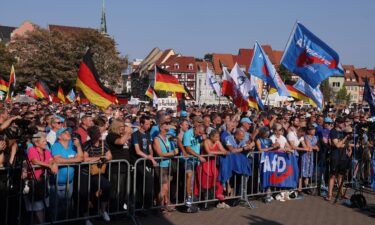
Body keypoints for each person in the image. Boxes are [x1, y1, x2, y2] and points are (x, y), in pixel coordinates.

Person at [24, 133, 58, 224]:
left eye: (45, 140)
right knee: (37, 208)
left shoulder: (46, 151)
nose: (46, 142)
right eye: (43, 141)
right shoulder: (31, 149)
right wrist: (49, 166)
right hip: (33, 182)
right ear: (36, 143)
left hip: (43, 182)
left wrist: (54, 164)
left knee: (42, 207)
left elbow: (51, 160)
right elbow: (35, 161)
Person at [81, 126, 112, 223]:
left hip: (97, 172)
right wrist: (99, 158)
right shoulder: (86, 144)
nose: (97, 136)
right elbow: (84, 159)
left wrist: (105, 158)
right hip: (86, 173)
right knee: (85, 194)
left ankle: (103, 210)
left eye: (98, 134)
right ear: (91, 135)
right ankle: (86, 217)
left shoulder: (103, 143)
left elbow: (110, 156)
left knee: (106, 186)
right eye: (95, 135)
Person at [51, 127, 83, 219]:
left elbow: (81, 158)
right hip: (57, 182)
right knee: (56, 206)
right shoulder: (56, 146)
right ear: (59, 136)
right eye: (65, 133)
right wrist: (74, 160)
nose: (68, 133)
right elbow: (57, 159)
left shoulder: (72, 145)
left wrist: (78, 146)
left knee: (67, 205)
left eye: (68, 132)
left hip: (69, 182)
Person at [195, 130, 229, 209]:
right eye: (216, 137)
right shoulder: (206, 141)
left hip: (213, 164)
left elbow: (224, 150)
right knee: (204, 183)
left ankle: (214, 200)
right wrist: (220, 153)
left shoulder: (217, 142)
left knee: (216, 181)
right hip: (205, 164)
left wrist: (223, 152)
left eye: (218, 137)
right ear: (211, 137)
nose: (218, 138)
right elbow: (209, 152)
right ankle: (203, 203)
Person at [129, 115, 157, 209]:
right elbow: (137, 151)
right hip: (138, 162)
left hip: (146, 161)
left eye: (149, 124)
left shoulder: (148, 134)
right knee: (141, 183)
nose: (149, 126)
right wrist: (150, 158)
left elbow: (150, 148)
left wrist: (151, 156)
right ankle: (139, 205)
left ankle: (146, 204)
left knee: (147, 181)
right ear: (141, 124)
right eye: (147, 124)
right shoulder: (135, 135)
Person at [153, 119, 179, 212]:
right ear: (161, 128)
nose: (168, 130)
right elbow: (160, 153)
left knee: (166, 188)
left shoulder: (167, 138)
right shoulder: (157, 139)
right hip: (161, 166)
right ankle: (159, 206)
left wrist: (174, 149)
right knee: (163, 188)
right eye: (166, 128)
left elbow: (171, 150)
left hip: (168, 164)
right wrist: (172, 153)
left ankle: (164, 204)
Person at [106, 118, 131, 211]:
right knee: (116, 190)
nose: (123, 128)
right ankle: (113, 210)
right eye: (121, 127)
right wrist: (127, 133)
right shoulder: (111, 136)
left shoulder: (121, 135)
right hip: (116, 168)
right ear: (115, 127)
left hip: (124, 167)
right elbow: (120, 142)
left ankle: (120, 209)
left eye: (124, 126)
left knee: (123, 190)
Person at [326, 117, 350, 201]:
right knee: (332, 175)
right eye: (341, 122)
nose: (343, 124)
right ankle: (329, 194)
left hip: (343, 156)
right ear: (337, 123)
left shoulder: (343, 132)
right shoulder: (333, 132)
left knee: (340, 176)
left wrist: (347, 148)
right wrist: (345, 138)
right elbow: (337, 145)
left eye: (343, 122)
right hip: (335, 156)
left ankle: (341, 193)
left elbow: (345, 145)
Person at [182, 121, 206, 206]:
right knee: (189, 176)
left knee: (194, 179)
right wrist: (198, 156)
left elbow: (201, 145)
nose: (200, 134)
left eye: (201, 133)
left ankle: (192, 196)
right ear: (196, 128)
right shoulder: (187, 134)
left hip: (196, 160)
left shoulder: (199, 135)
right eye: (199, 132)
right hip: (188, 159)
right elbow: (188, 148)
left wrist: (204, 140)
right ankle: (188, 197)